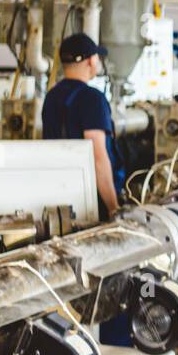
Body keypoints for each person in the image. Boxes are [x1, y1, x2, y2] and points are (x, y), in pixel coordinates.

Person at [41, 32, 123, 217]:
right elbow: (98, 157)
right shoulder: (93, 99)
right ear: (90, 61)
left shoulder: (51, 97)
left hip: (58, 197)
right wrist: (113, 207)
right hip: (90, 200)